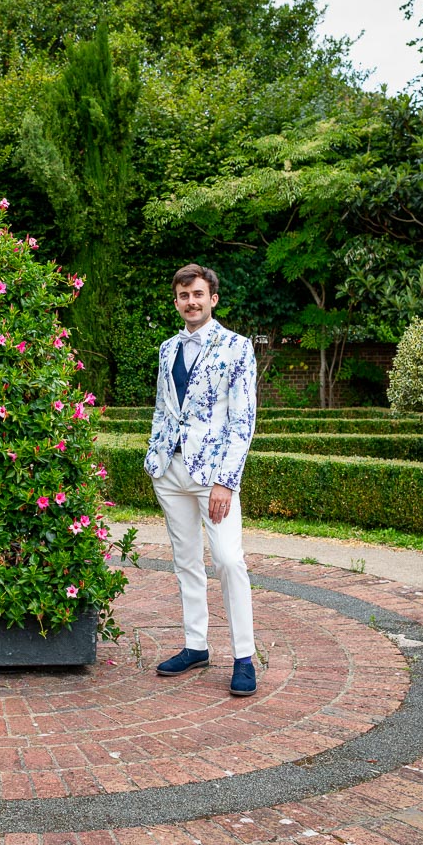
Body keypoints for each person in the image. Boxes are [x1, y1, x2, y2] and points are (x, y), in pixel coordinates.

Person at [142, 264, 260, 696]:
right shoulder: (167, 348)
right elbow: (162, 407)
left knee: (229, 560)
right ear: (176, 301)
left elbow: (242, 420)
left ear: (213, 298)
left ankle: (244, 656)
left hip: (214, 476)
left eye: (197, 294)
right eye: (182, 295)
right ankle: (196, 645)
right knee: (186, 560)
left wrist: (226, 482)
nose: (190, 301)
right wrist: (155, 454)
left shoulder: (237, 347)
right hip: (170, 472)